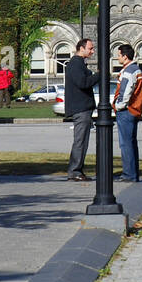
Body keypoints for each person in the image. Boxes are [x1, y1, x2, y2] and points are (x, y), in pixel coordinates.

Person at [63, 38, 99, 181]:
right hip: (81, 108)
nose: (92, 51)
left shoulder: (78, 64)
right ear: (81, 48)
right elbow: (82, 83)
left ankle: (77, 170)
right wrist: (98, 75)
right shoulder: (75, 64)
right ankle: (75, 171)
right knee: (80, 141)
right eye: (90, 48)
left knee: (82, 141)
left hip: (83, 107)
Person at [111, 43, 142, 182]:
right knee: (131, 143)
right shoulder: (136, 69)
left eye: (118, 55)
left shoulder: (129, 71)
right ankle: (133, 173)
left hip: (127, 111)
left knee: (125, 144)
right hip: (133, 110)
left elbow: (126, 91)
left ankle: (129, 175)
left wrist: (118, 106)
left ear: (125, 56)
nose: (117, 57)